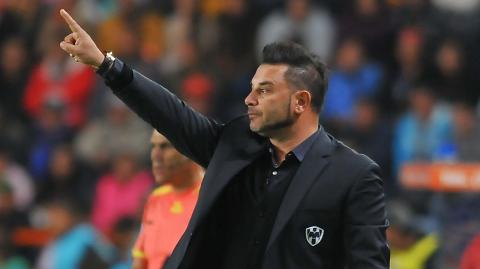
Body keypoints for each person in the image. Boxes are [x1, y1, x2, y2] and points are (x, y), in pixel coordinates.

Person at [59, 9, 389, 268]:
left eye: (265, 90)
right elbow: (172, 114)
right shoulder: (235, 144)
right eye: (251, 88)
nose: (249, 99)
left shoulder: (354, 176)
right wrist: (106, 64)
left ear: (301, 102)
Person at [131, 130, 203, 269]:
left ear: (191, 150)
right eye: (153, 147)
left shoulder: (210, 199)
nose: (155, 156)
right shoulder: (156, 199)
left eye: (165, 146)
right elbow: (140, 259)